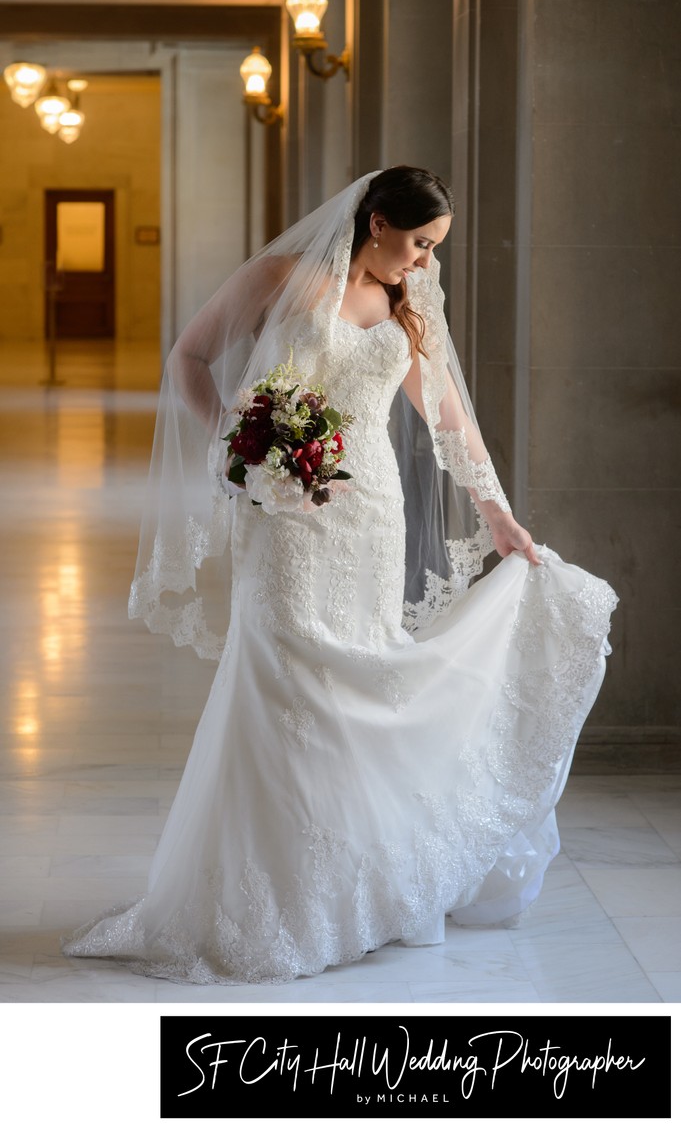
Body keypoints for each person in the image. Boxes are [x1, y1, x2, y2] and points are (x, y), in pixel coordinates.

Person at [62, 167, 617, 984]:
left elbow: (447, 415)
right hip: (283, 516)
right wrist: (238, 452)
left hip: (369, 514)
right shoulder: (284, 277)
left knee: (365, 681)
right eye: (419, 241)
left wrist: (495, 513)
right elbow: (190, 356)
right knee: (284, 675)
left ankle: (360, 888)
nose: (424, 258)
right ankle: (275, 898)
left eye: (434, 247)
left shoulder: (411, 299)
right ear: (378, 220)